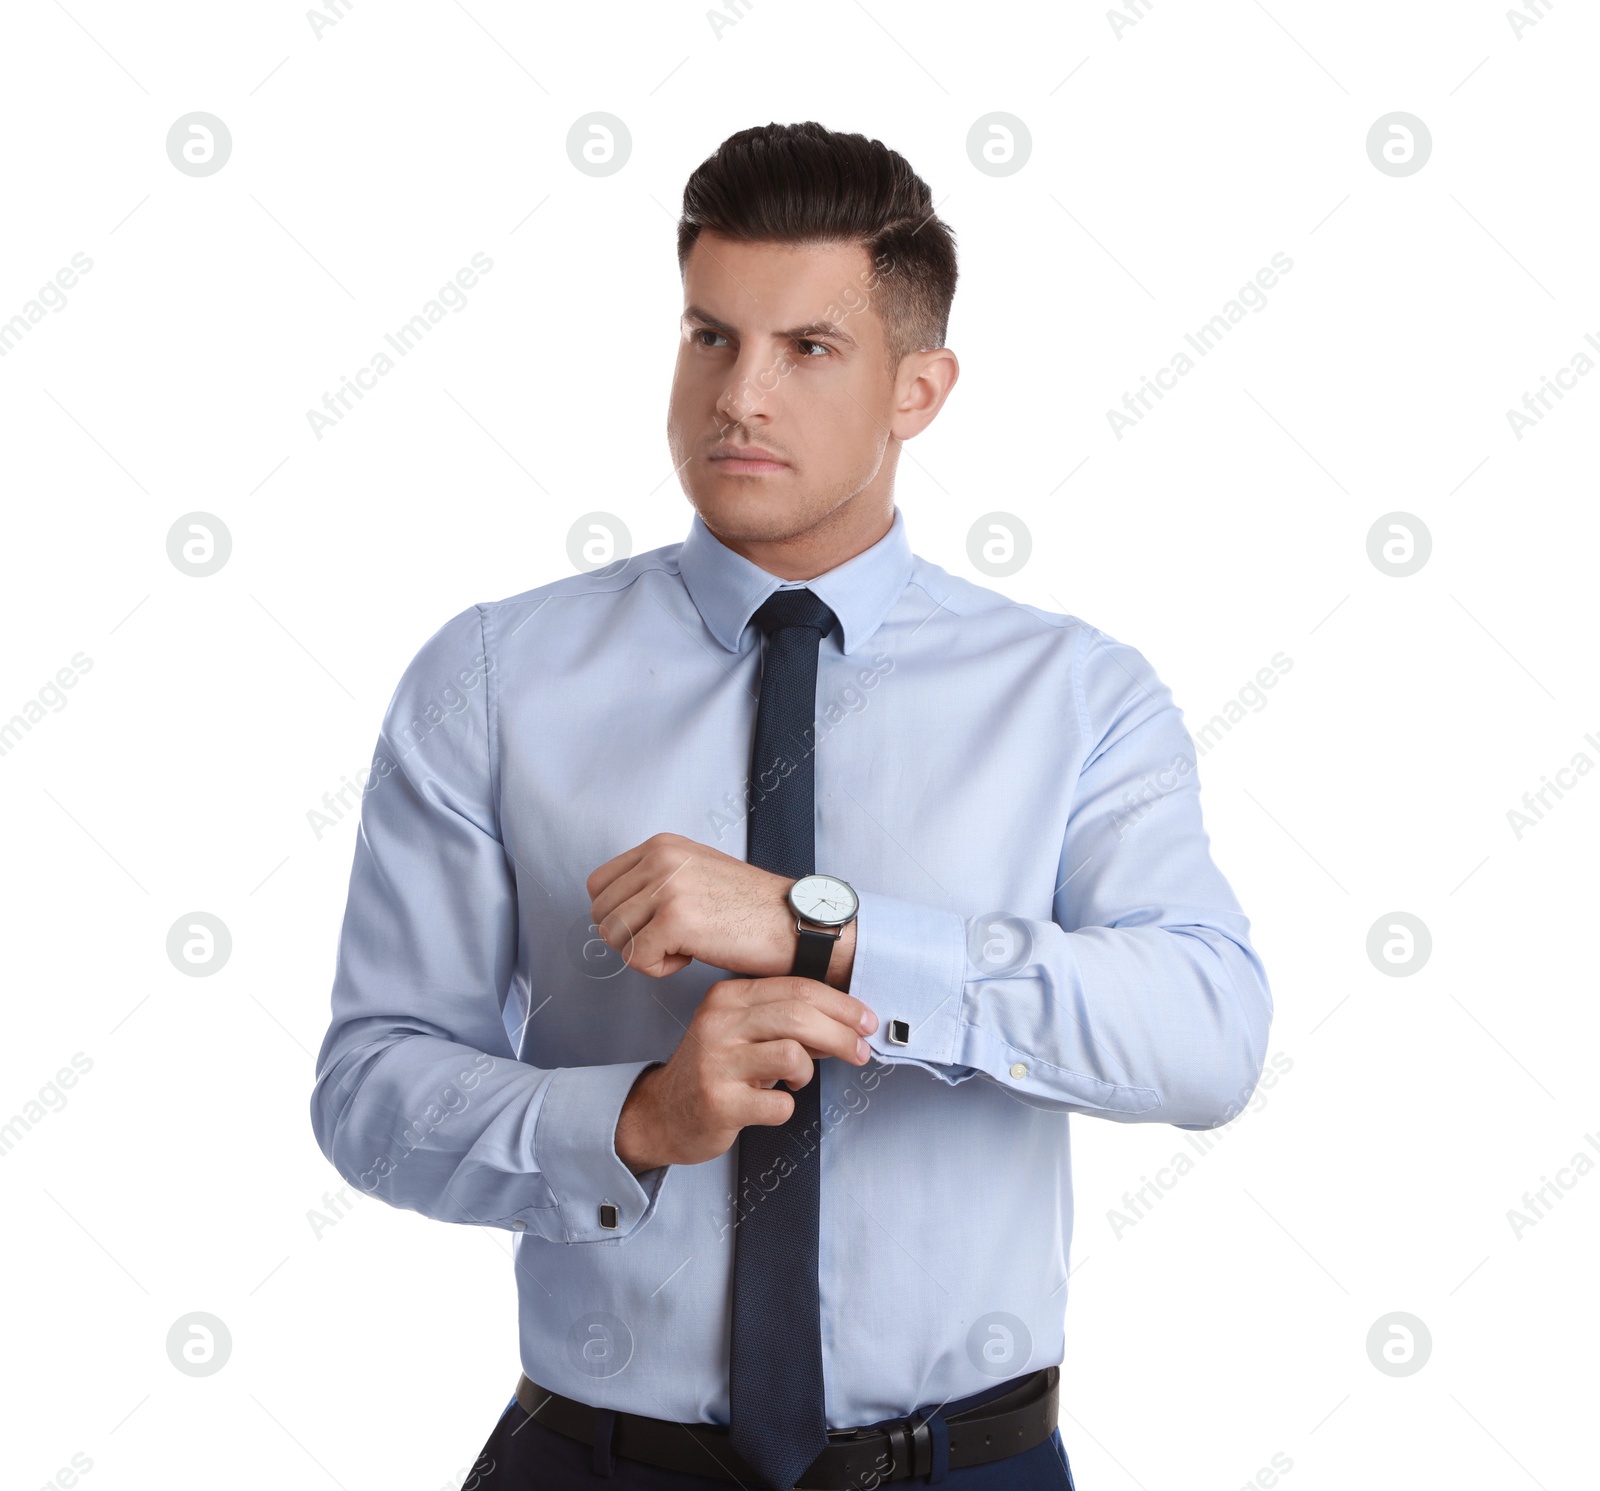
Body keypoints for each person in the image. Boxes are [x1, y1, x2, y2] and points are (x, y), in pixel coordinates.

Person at [310, 120, 1274, 1490]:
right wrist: (635, 1122)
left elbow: (1206, 1036)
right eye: (710, 336)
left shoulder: (1073, 695)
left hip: (965, 1467)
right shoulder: (493, 677)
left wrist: (819, 932)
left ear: (918, 388)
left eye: (806, 350)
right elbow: (371, 1087)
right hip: (597, 1465)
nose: (737, 397)